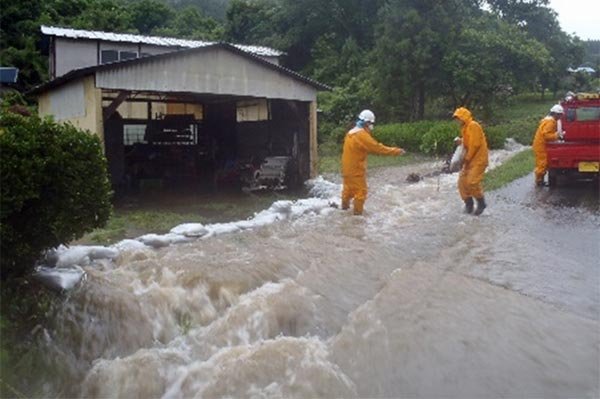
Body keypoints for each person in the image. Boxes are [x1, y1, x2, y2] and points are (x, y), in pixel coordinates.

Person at [341, 109, 404, 215]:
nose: (371, 126)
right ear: (367, 123)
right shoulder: (362, 135)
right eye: (371, 123)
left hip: (346, 170)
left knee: (347, 191)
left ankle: (344, 211)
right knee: (360, 193)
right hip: (356, 171)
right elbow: (377, 148)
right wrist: (396, 151)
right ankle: (357, 218)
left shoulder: (350, 133)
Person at [452, 107, 489, 215]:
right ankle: (469, 204)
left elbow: (475, 144)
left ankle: (481, 202)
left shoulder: (473, 125)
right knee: (462, 183)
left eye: (458, 118)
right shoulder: (465, 128)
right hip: (469, 160)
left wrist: (466, 158)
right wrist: (461, 141)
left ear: (463, 117)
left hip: (478, 160)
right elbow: (468, 141)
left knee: (472, 182)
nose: (456, 121)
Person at [533, 104, 564, 186]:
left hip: (540, 144)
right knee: (542, 163)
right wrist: (557, 135)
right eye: (560, 115)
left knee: (543, 162)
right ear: (555, 114)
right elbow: (546, 135)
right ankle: (539, 181)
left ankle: (540, 180)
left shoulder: (547, 120)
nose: (560, 117)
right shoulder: (550, 122)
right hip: (541, 145)